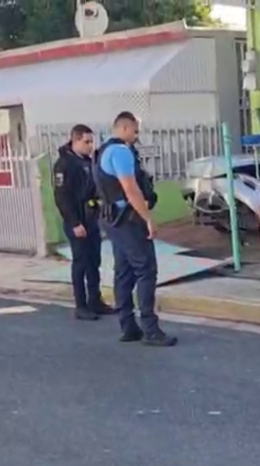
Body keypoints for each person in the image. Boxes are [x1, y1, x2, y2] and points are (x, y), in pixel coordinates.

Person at [93, 111, 177, 347]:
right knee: (146, 270)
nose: (137, 136)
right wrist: (148, 218)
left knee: (124, 271)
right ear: (124, 128)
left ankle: (128, 326)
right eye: (135, 130)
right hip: (128, 220)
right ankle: (150, 329)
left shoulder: (103, 151)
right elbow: (130, 189)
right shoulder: (120, 152)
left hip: (112, 220)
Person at [53, 124, 115, 321]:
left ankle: (95, 301)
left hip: (91, 219)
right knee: (80, 263)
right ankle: (81, 305)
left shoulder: (88, 162)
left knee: (93, 262)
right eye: (86, 142)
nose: (90, 146)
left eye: (91, 142)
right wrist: (74, 223)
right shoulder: (64, 164)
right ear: (75, 140)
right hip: (77, 221)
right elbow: (62, 197)